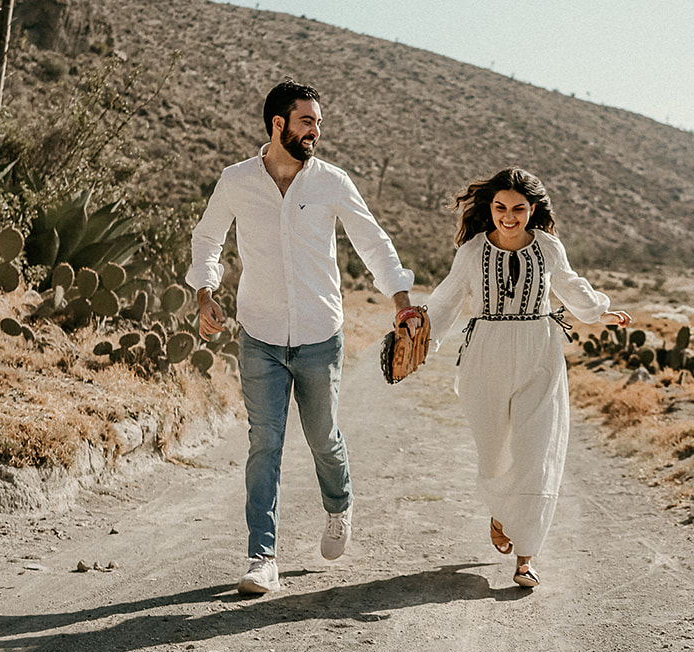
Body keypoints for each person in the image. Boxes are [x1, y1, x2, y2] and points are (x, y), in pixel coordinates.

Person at [187, 79, 415, 595]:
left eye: (318, 122)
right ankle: (262, 557)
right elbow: (207, 238)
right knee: (264, 442)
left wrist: (400, 301)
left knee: (323, 438)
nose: (316, 131)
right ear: (278, 124)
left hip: (319, 334)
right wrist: (204, 292)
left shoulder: (332, 181)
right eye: (307, 121)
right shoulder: (237, 180)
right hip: (260, 335)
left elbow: (372, 242)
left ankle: (339, 507)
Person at [422, 167, 629, 589]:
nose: (509, 216)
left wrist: (596, 311)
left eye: (519, 208)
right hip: (486, 355)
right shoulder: (472, 252)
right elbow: (445, 299)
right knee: (494, 455)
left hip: (540, 351)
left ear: (533, 209)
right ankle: (501, 511)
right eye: (501, 207)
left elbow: (570, 285)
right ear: (490, 208)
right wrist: (421, 335)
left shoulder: (549, 248)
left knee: (535, 455)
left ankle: (526, 558)